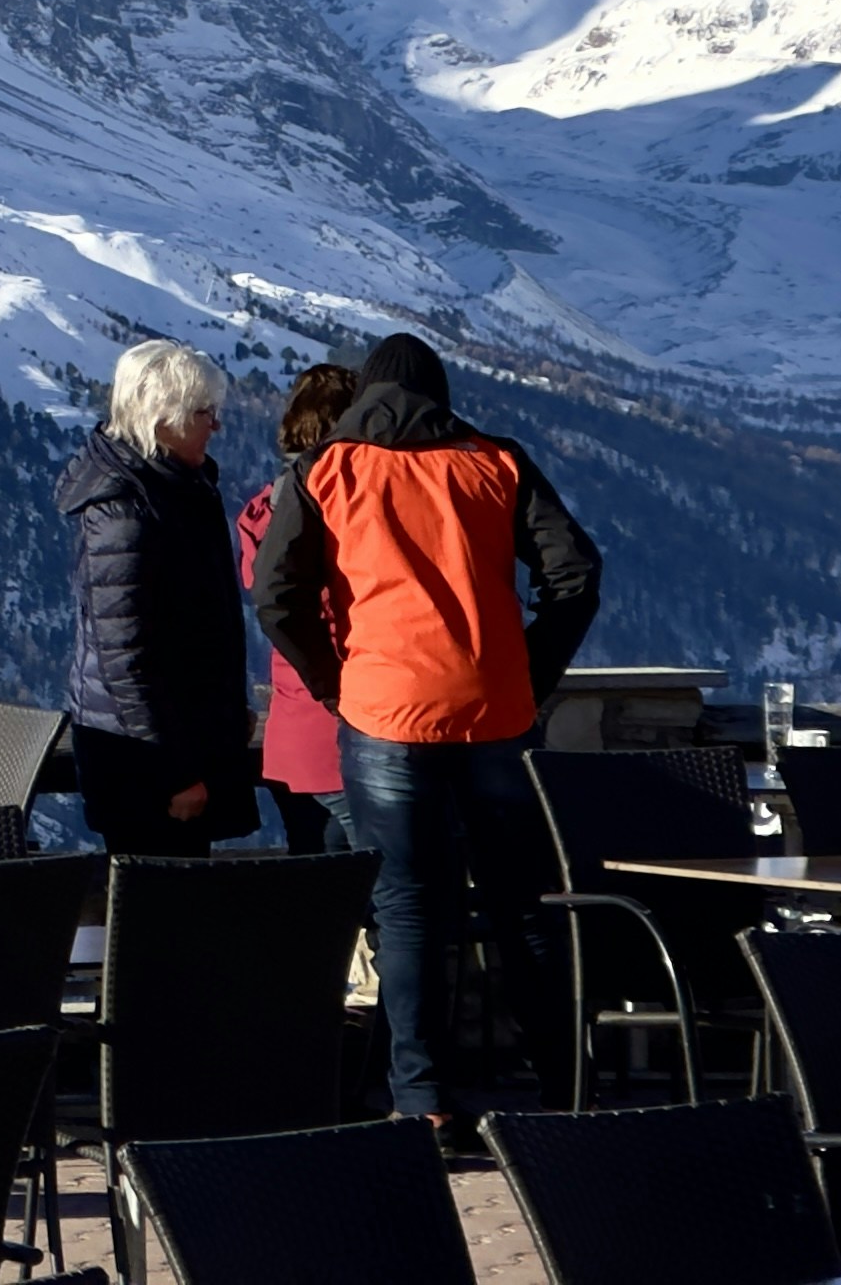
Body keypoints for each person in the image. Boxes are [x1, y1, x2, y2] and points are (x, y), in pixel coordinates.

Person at [252, 331, 604, 1136]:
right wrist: (531, 674)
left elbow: (277, 596)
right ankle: (564, 1088)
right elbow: (576, 575)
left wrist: (335, 681)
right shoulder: (496, 463)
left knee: (407, 911)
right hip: (496, 714)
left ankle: (425, 1100)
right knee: (522, 906)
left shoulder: (325, 472)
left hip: (382, 714)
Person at [57, 337, 258, 857]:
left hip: (178, 742)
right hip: (147, 766)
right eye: (203, 411)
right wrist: (175, 772)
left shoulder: (171, 490)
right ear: (161, 417)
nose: (215, 425)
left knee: (179, 915)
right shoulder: (125, 509)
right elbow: (126, 659)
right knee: (162, 918)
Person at [238, 362, 358, 852]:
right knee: (382, 891)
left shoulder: (264, 509)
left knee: (317, 892)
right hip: (348, 731)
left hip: (290, 738)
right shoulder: (344, 510)